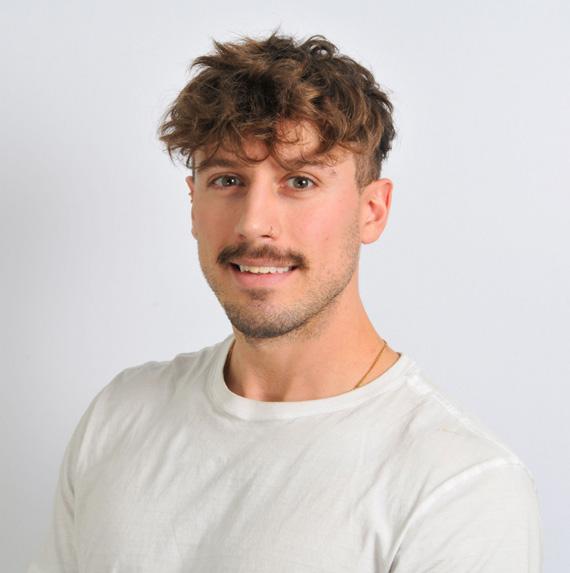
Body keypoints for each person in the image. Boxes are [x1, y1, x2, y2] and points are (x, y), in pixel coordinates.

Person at [29, 32, 543, 572]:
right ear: (193, 204)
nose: (253, 223)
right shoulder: (120, 416)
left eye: (299, 181)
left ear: (372, 211)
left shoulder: (459, 488)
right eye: (228, 179)